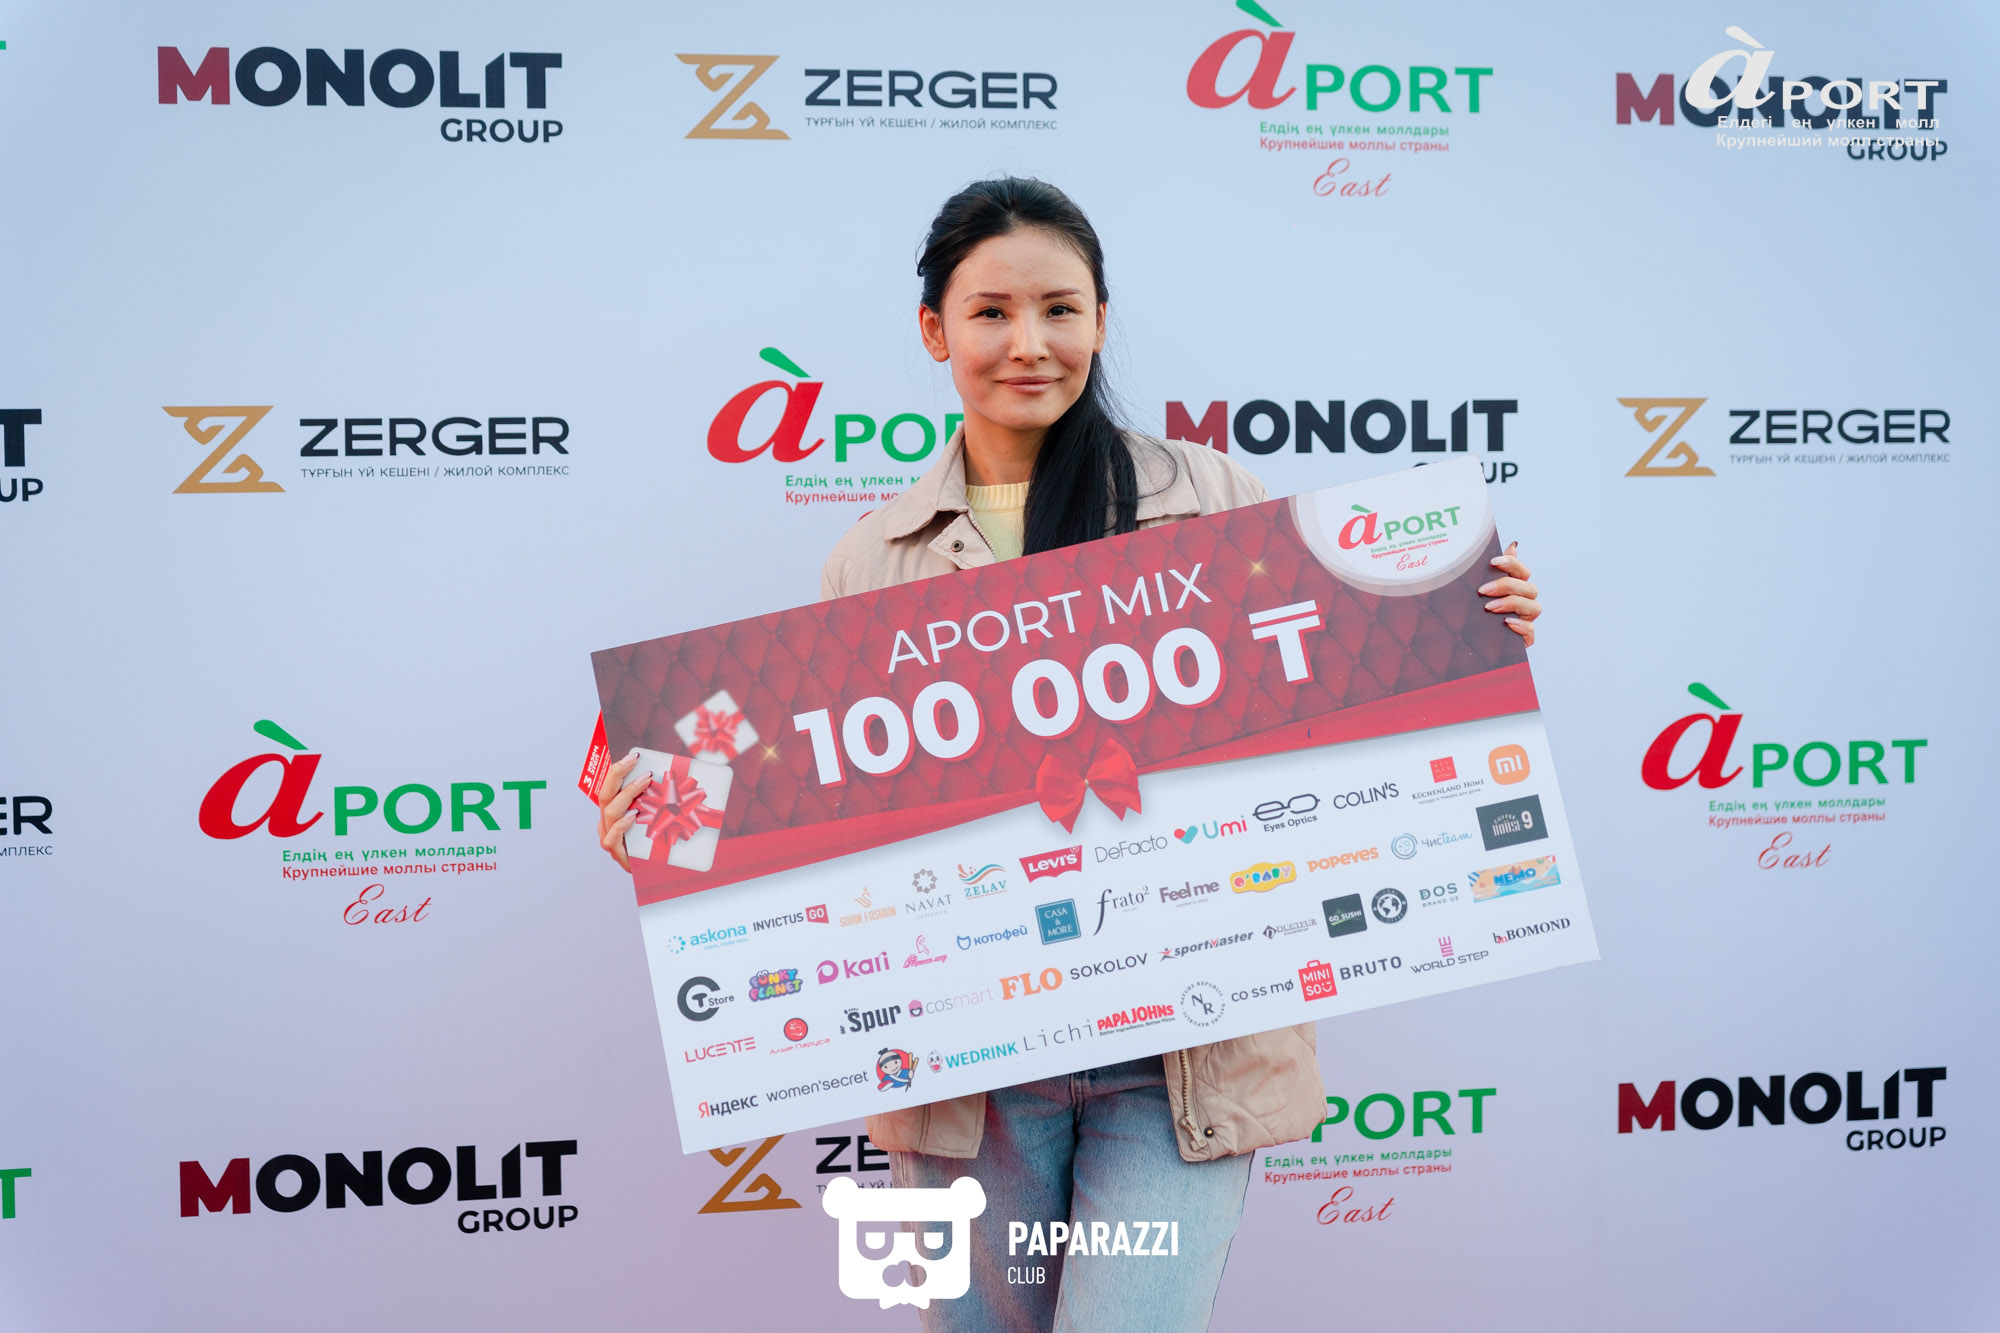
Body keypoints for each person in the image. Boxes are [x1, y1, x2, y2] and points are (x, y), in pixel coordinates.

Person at [598, 178, 1542, 1331]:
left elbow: (1311, 708)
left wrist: (1459, 627)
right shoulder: (872, 557)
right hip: (972, 1071)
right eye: (990, 312)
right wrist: (674, 831)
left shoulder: (1212, 499)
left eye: (1059, 308)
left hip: (1181, 1050)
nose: (1028, 343)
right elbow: (840, 810)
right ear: (934, 330)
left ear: (1099, 319)